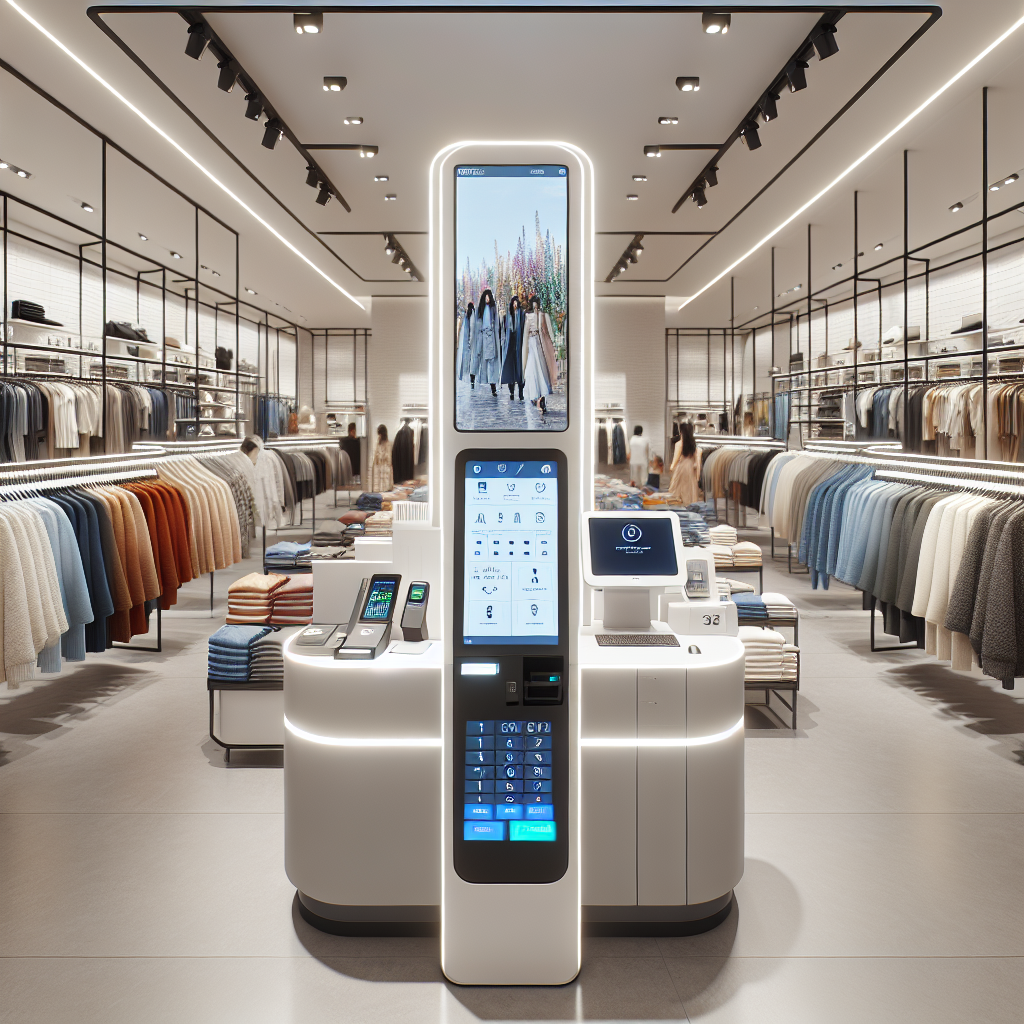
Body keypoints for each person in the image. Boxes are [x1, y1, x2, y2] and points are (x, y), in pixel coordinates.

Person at [522, 294, 557, 416]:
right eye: (534, 306)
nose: (536, 308)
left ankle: (540, 397)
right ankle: (536, 395)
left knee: (540, 368)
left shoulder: (541, 316)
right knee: (534, 368)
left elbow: (547, 331)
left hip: (538, 344)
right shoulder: (530, 317)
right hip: (533, 344)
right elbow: (527, 334)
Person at [470, 290, 501, 395]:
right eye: (486, 297)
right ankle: (473, 377)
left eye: (489, 297)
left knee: (492, 361)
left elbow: (496, 324)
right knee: (479, 358)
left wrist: (498, 338)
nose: (487, 299)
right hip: (482, 337)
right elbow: (476, 325)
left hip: (490, 336)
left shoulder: (493, 309)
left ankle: (493, 387)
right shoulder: (480, 309)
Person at [668, 421, 702, 506]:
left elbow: (675, 461)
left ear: (681, 432)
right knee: (690, 492)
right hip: (691, 469)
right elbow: (697, 462)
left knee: (679, 493)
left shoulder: (679, 444)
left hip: (682, 468)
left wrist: (671, 468)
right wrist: (697, 476)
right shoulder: (693, 444)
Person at [500, 295, 525, 401]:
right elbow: (503, 330)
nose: (515, 305)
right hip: (510, 345)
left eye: (516, 303)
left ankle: (520, 392)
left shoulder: (522, 314)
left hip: (519, 344)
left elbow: (524, 328)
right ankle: (511, 392)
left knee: (519, 370)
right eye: (514, 303)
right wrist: (503, 342)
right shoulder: (507, 316)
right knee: (510, 368)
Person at [369, 423, 393, 493]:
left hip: (385, 467)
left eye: (380, 433)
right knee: (378, 486)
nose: (379, 435)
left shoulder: (388, 443)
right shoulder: (377, 442)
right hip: (378, 467)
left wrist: (382, 456)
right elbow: (375, 455)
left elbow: (388, 458)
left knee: (385, 487)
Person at [456, 301, 475, 385]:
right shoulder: (472, 315)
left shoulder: (467, 316)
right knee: (471, 361)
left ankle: (471, 378)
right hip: (470, 342)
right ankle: (472, 378)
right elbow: (472, 328)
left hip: (466, 342)